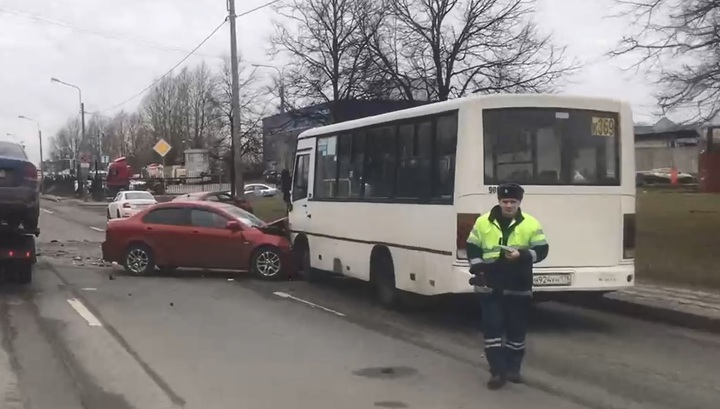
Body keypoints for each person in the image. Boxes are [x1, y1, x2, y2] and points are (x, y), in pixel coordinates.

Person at [466, 183, 549, 390]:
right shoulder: (483, 221)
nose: (509, 205)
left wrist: (522, 254)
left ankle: (513, 369)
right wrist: (477, 267)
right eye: (505, 201)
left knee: (516, 330)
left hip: (518, 282)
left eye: (513, 202)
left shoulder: (530, 223)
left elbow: (542, 249)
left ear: (520, 202)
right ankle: (497, 371)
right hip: (490, 281)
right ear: (499, 202)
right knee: (492, 328)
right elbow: (472, 246)